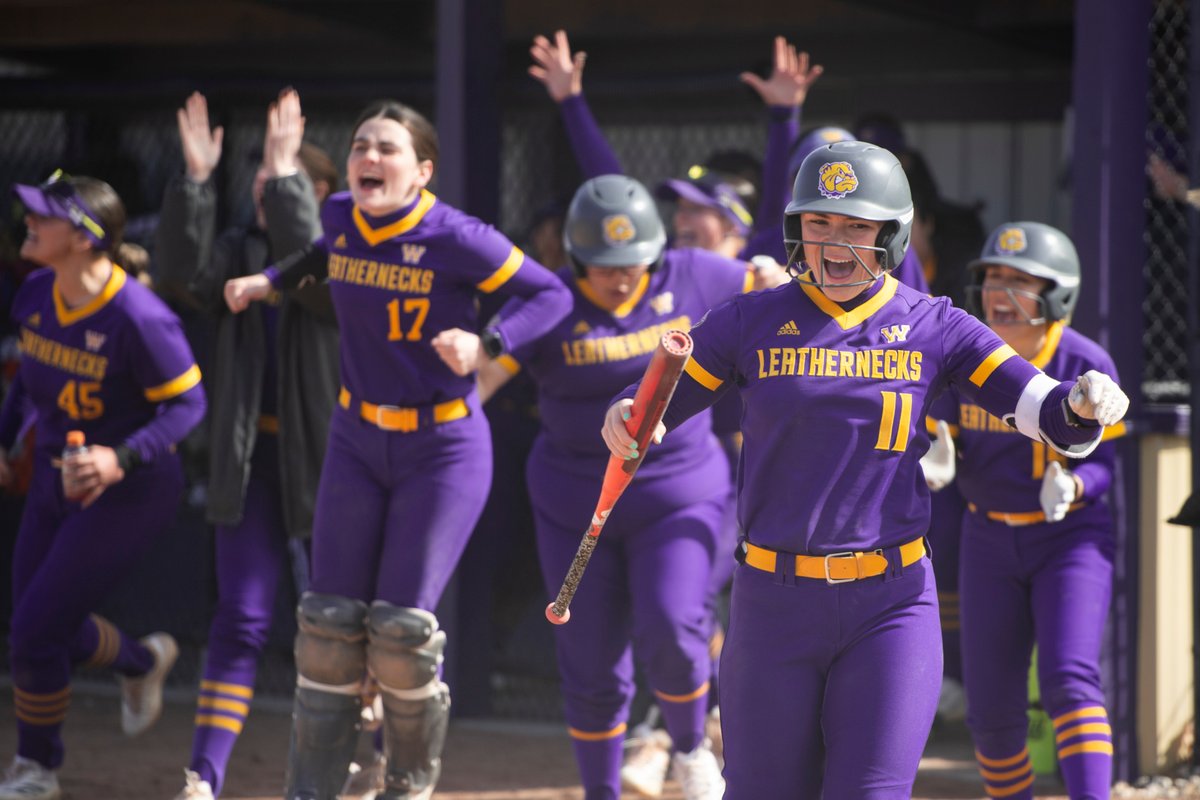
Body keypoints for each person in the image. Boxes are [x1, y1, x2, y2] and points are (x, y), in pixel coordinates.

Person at [599, 141, 1130, 798]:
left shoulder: (937, 325)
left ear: (892, 233)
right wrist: (627, 416)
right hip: (772, 604)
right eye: (820, 224)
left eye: (857, 225)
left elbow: (1040, 407)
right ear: (797, 229)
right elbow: (651, 410)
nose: (836, 242)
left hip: (892, 604)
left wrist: (1081, 402)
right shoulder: (748, 320)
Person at [222, 99, 572, 800]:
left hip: (441, 444)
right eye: (360, 146)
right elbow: (325, 252)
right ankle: (314, 789)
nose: (369, 159)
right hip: (355, 437)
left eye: (387, 149)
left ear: (423, 170)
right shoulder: (341, 216)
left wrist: (489, 343)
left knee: (402, 632)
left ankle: (405, 783)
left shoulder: (456, 236)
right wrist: (272, 281)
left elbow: (552, 294)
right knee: (327, 625)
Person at [477, 174, 783, 800]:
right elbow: (479, 383)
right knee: (590, 661)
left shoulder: (695, 274)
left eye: (633, 263)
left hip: (677, 493)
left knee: (673, 625)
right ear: (576, 257)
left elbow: (770, 289)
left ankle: (691, 748)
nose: (619, 277)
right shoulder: (554, 298)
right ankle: (600, 792)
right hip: (574, 501)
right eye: (602, 265)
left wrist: (771, 279)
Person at [154, 89, 342, 800]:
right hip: (252, 460)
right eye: (263, 177)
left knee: (349, 622)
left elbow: (312, 274)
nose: (269, 185)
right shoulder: (239, 248)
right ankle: (204, 775)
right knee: (242, 618)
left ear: (318, 193)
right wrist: (196, 186)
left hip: (332, 468)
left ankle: (376, 756)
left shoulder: (347, 258)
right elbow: (183, 276)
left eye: (288, 177)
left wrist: (287, 169)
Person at [0, 171, 207, 800]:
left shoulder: (139, 316)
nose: (27, 223)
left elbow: (188, 406)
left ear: (87, 238)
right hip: (56, 479)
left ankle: (36, 767)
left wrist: (121, 458)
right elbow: (27, 381)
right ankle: (141, 662)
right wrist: (5, 441)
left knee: (35, 628)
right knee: (39, 622)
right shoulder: (36, 292)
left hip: (130, 488)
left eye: (44, 216)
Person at [924, 221, 1125, 799]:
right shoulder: (969, 351)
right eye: (992, 278)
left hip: (1070, 540)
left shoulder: (1084, 359)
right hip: (988, 538)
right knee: (990, 710)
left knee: (1069, 679)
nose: (1000, 293)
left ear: (1058, 294)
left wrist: (1076, 488)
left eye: (1020, 281)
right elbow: (947, 430)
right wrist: (939, 447)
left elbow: (1107, 465)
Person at [529, 30, 823, 266]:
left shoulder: (754, 262)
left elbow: (776, 202)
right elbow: (613, 188)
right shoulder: (666, 267)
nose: (681, 218)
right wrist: (571, 101)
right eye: (680, 208)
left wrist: (784, 116)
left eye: (696, 208)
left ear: (732, 225)